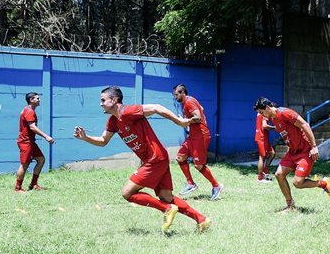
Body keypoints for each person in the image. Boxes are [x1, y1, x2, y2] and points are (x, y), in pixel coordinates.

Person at [73, 86, 211, 233]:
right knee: (166, 196)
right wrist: (85, 138)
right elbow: (103, 140)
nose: (100, 103)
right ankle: (201, 220)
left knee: (127, 193)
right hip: (158, 158)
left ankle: (167, 209)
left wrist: (179, 121)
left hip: (155, 158)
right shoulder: (113, 121)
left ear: (113, 100)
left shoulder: (128, 111)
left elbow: (157, 107)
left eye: (103, 100)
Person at [253, 97, 330, 212]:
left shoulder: (285, 113)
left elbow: (304, 124)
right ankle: (290, 206)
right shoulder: (274, 118)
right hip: (292, 152)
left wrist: (314, 147)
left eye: (262, 112)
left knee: (298, 183)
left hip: (305, 151)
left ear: (267, 108)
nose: (263, 116)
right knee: (279, 174)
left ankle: (323, 183)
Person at [173, 84, 224, 200]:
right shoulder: (188, 101)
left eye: (176, 94)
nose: (175, 97)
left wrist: (185, 121)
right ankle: (191, 183)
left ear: (182, 93)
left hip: (201, 136)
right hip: (193, 136)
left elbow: (198, 117)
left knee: (198, 165)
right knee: (180, 157)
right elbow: (201, 108)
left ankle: (217, 186)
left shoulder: (189, 102)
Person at [14, 92, 55, 193]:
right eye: (37, 98)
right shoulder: (29, 111)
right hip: (25, 142)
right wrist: (46, 136)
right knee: (25, 164)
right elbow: (32, 127)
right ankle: (17, 188)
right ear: (31, 100)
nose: (39, 100)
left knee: (41, 160)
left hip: (30, 141)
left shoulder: (29, 110)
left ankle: (33, 184)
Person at [255, 112, 276, 182]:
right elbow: (265, 126)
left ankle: (265, 171)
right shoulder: (264, 113)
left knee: (272, 153)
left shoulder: (260, 113)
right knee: (262, 157)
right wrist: (274, 128)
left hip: (263, 138)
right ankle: (260, 178)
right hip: (262, 138)